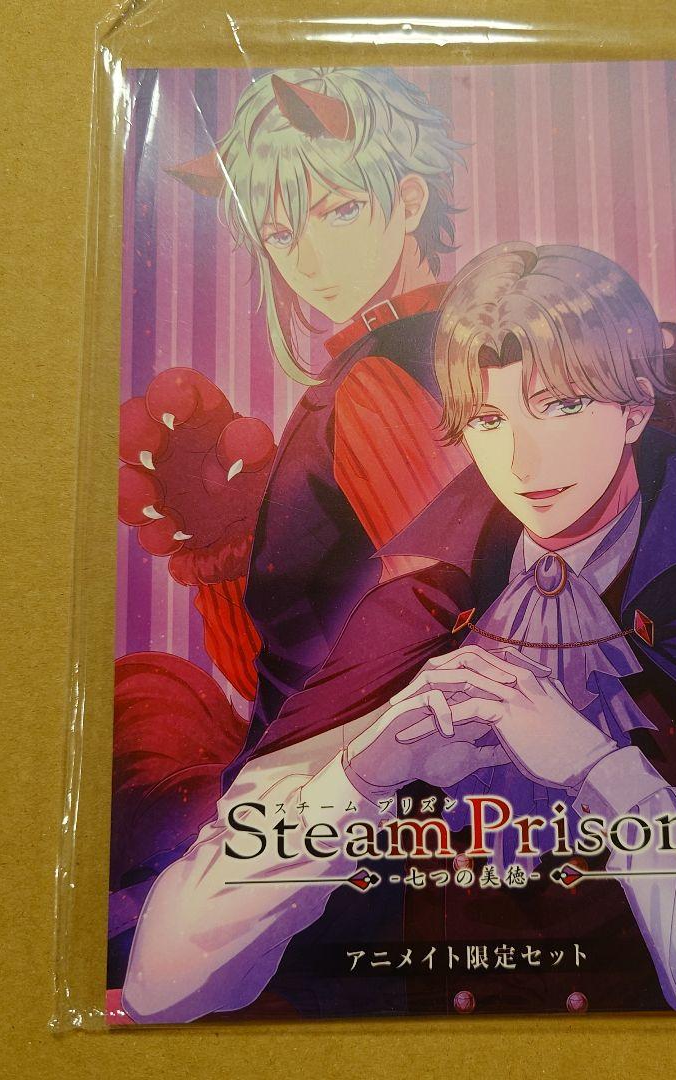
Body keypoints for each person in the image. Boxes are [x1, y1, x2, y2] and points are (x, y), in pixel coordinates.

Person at [122, 243, 676, 1022]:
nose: (521, 459)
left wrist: (601, 772)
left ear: (634, 409)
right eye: (489, 419)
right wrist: (359, 775)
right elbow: (163, 982)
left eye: (560, 405)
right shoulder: (418, 613)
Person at [169, 67, 469, 781]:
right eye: (280, 232)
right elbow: (286, 663)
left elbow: (445, 623)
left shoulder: (384, 377)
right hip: (332, 782)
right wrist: (226, 553)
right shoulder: (399, 358)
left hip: (372, 793)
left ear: (409, 202)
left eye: (338, 211)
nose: (307, 259)